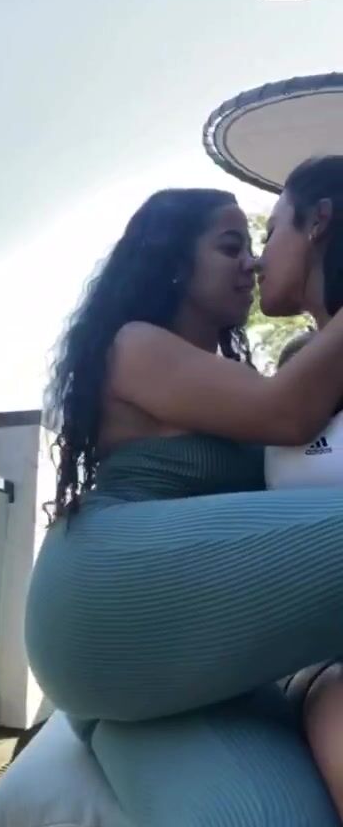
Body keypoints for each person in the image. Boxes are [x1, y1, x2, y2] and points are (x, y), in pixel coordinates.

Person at [25, 163, 343, 826]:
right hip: (104, 591)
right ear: (173, 263)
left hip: (170, 663)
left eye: (255, 244)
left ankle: (117, 721)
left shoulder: (232, 377)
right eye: (231, 246)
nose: (253, 263)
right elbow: (286, 413)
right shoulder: (133, 346)